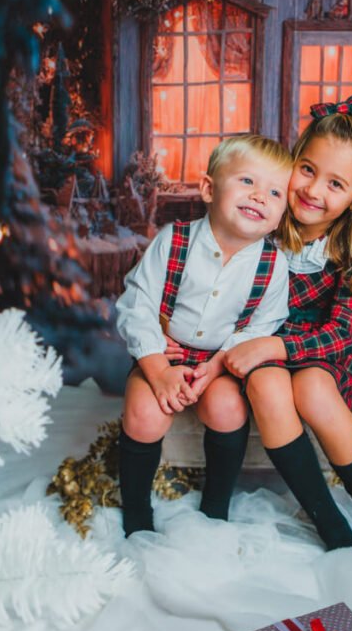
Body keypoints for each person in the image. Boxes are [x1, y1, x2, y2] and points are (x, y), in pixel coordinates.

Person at [222, 96, 352, 584]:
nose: (313, 190)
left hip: (325, 350)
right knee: (267, 387)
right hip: (260, 345)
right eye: (307, 169)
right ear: (292, 161)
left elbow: (342, 332)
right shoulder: (264, 218)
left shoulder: (346, 249)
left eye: (336, 183)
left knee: (313, 389)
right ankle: (329, 521)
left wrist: (278, 348)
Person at [114, 134, 291, 536]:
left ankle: (216, 505)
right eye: (247, 181)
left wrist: (218, 364)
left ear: (282, 213)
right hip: (163, 352)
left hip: (221, 361)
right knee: (144, 414)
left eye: (275, 191)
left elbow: (261, 326)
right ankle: (137, 512)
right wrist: (158, 369)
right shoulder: (174, 241)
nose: (260, 196)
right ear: (209, 189)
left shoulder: (273, 264)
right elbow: (137, 304)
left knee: (229, 410)